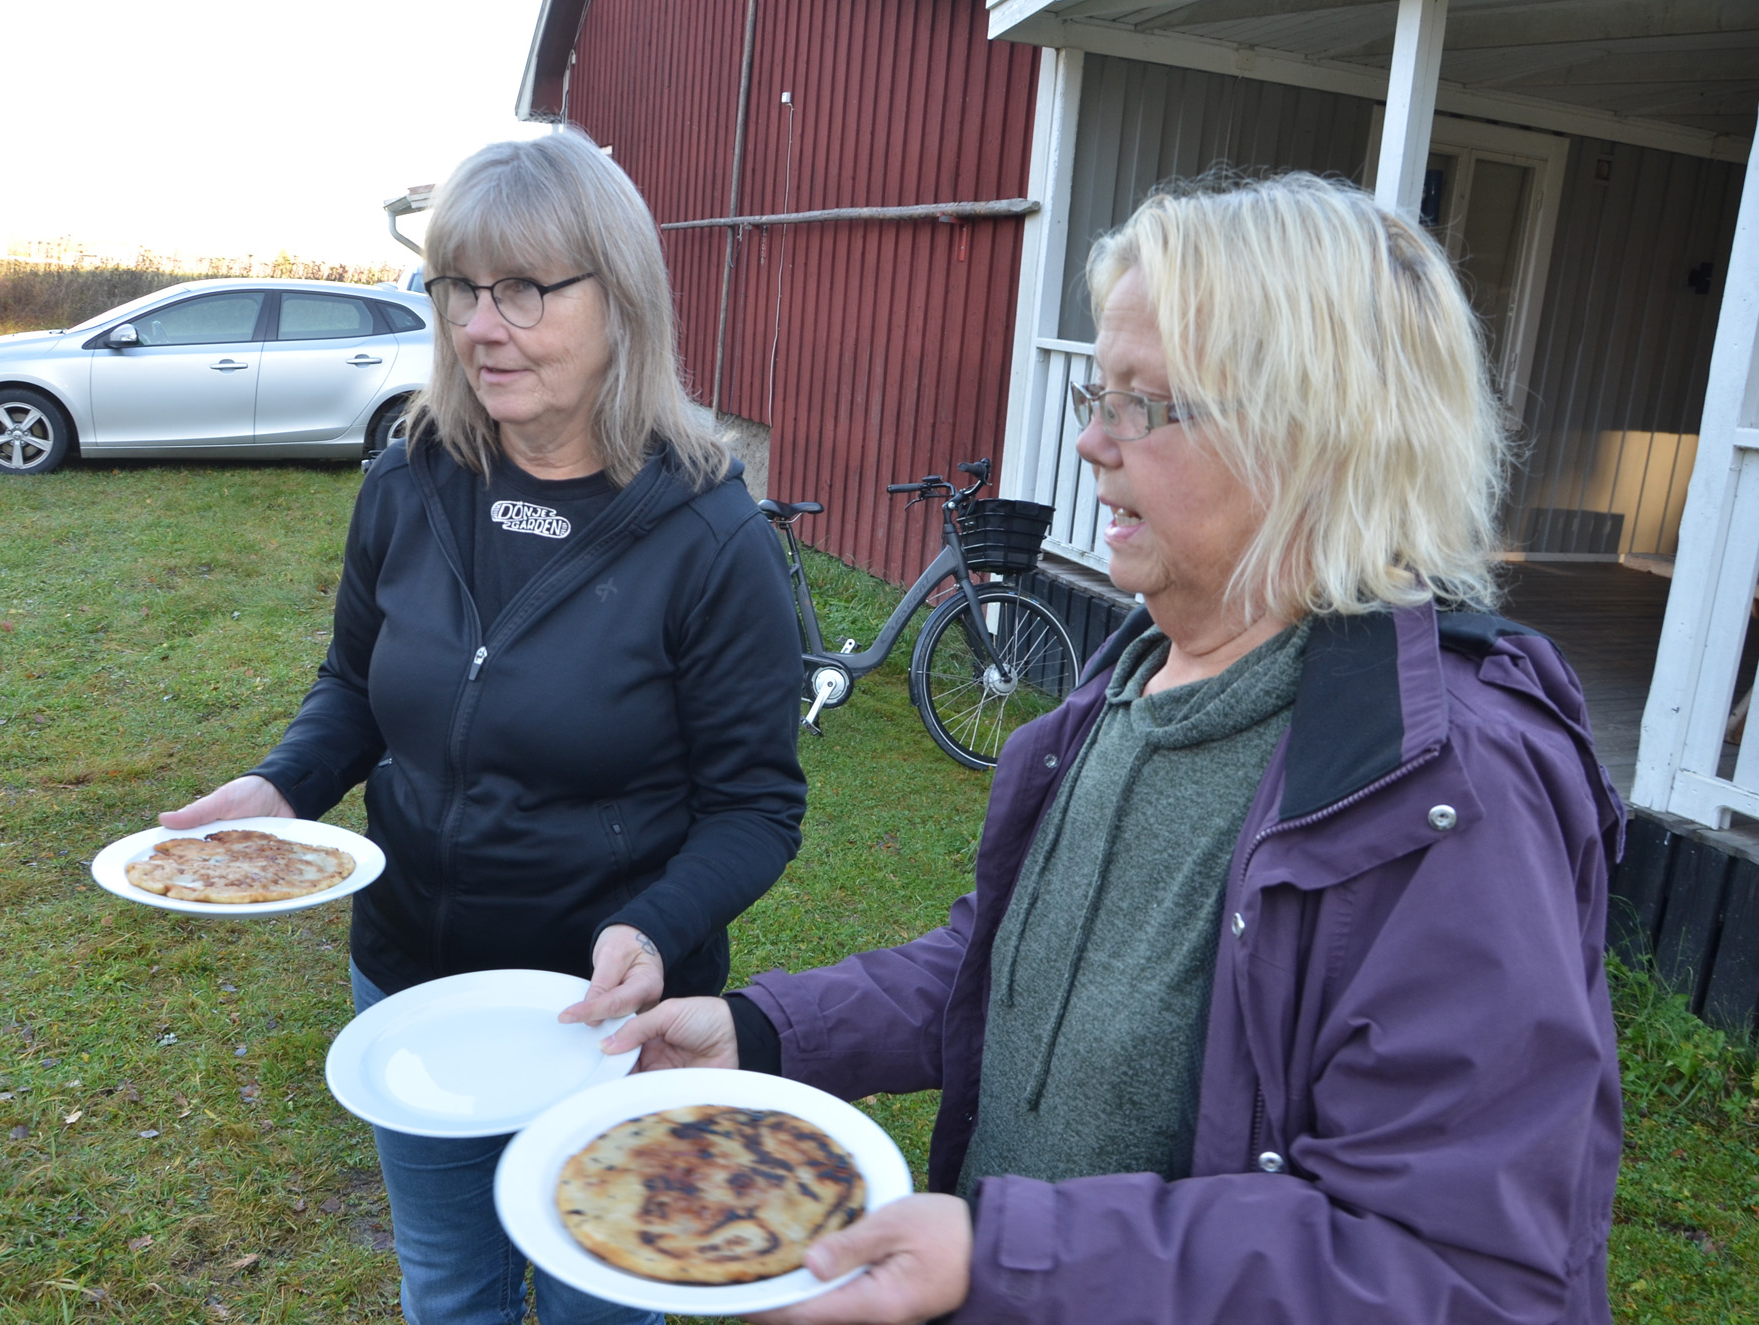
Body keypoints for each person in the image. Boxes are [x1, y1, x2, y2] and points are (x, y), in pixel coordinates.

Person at [608, 172, 1625, 1325]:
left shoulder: (1443, 784)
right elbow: (1012, 967)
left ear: (1318, 434)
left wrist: (1009, 1261)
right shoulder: (1134, 673)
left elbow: (1459, 1271)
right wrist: (767, 1030)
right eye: (1102, 390)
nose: (1090, 439)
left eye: (1149, 402)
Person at [159, 129, 808, 1325]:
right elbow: (354, 684)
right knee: (450, 1285)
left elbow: (755, 805)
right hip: (408, 984)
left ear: (620, 299)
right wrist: (282, 790)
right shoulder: (410, 474)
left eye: (522, 289)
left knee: (594, 1305)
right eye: (458, 286)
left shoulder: (710, 537)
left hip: (602, 1015)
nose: (477, 325)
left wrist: (653, 924)